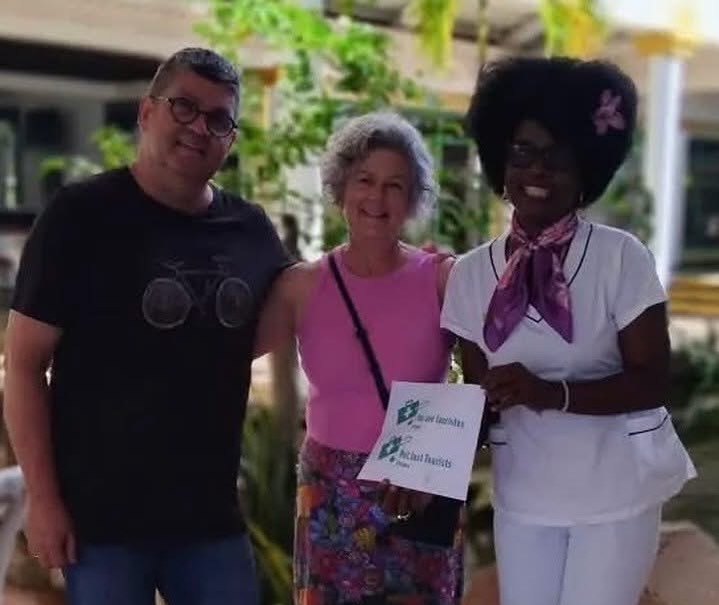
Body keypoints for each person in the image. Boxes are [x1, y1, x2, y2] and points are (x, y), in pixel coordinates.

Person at [3, 47, 289, 604]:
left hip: (210, 519)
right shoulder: (78, 216)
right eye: (184, 106)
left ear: (230, 139)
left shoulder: (250, 230)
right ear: (146, 112)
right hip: (100, 522)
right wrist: (43, 499)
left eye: (218, 119)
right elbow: (25, 365)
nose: (199, 127)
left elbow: (299, 308)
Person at [441, 57, 696, 605]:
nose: (538, 170)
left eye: (558, 156)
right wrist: (422, 455)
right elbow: (481, 399)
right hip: (524, 496)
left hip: (615, 497)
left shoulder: (619, 258)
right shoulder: (469, 275)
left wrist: (548, 392)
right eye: (523, 152)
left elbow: (652, 381)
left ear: (585, 169)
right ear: (500, 160)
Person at [255, 112, 462, 605]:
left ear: (412, 198)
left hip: (415, 488)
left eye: (395, 185)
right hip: (331, 490)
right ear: (341, 187)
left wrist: (434, 466)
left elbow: (487, 381)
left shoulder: (442, 279)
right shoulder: (301, 286)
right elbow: (223, 355)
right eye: (365, 180)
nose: (377, 197)